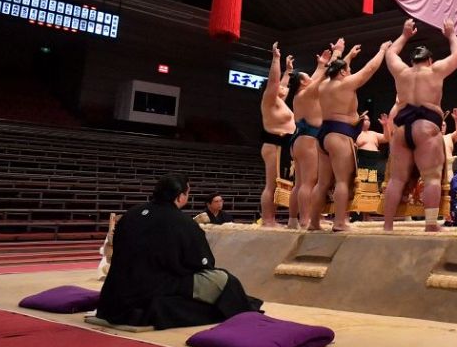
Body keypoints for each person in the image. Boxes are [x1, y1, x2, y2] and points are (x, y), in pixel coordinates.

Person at [97, 174, 262, 329]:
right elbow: (203, 264)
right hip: (154, 286)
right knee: (224, 279)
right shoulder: (183, 223)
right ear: (180, 196)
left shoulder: (130, 215)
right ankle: (242, 312)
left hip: (116, 289)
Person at [383, 18, 457, 232]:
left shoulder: (401, 72)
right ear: (429, 60)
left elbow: (390, 53)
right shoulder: (435, 70)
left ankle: (388, 225)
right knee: (431, 178)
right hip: (426, 127)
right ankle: (430, 224)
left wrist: (405, 34)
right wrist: (451, 34)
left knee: (397, 179)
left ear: (412, 61)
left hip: (401, 130)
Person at [313, 38, 392, 232]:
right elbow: (369, 70)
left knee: (322, 182)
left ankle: (313, 223)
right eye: (347, 70)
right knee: (343, 180)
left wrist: (341, 53)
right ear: (342, 72)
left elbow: (335, 67)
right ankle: (339, 222)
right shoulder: (345, 84)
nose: (349, 72)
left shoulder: (322, 85)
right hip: (340, 134)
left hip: (323, 135)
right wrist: (382, 51)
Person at [288, 41, 340, 229]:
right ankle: (305, 219)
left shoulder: (298, 95)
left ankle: (293, 220)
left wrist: (320, 64)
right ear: (302, 81)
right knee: (308, 183)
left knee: (299, 183)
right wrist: (337, 54)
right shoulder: (308, 92)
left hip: (299, 140)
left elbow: (317, 77)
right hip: (309, 140)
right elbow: (324, 77)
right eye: (306, 77)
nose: (310, 78)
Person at [259, 42, 295, 227]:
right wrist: (276, 59)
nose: (284, 87)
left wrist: (288, 71)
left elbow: (280, 84)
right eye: (280, 87)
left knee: (279, 184)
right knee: (271, 184)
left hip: (284, 145)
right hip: (274, 144)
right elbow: (274, 82)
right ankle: (267, 220)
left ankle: (272, 218)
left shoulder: (280, 102)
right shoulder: (269, 101)